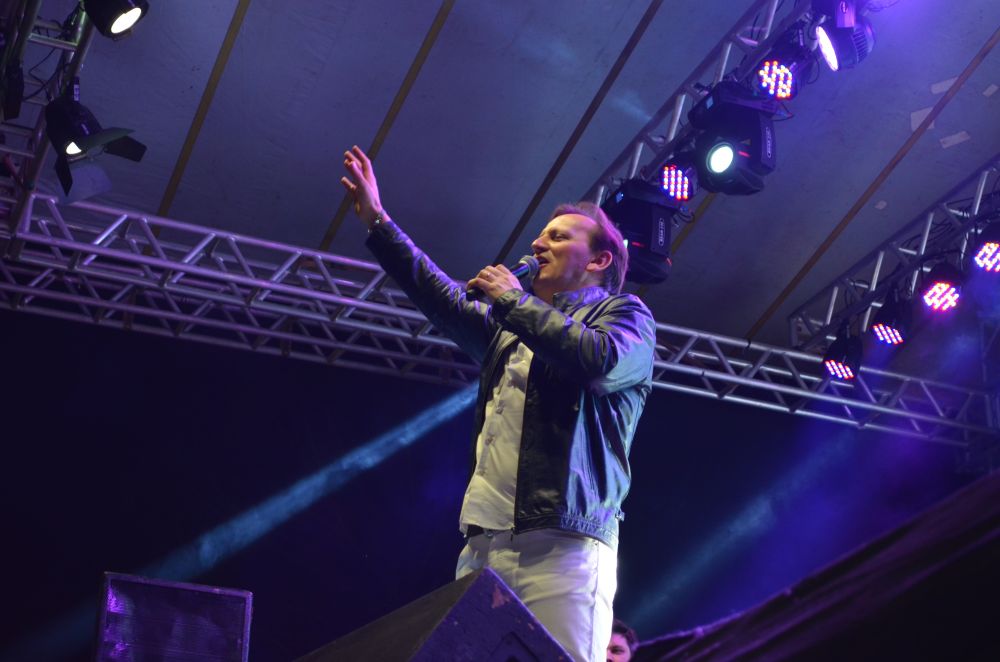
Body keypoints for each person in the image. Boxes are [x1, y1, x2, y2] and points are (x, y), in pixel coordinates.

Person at [340, 145, 656, 662]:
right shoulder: (512, 329)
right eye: (541, 234)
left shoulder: (626, 315)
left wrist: (513, 299)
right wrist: (379, 222)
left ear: (599, 260)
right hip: (484, 545)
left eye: (558, 236)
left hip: (564, 545)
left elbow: (597, 362)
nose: (538, 242)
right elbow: (440, 297)